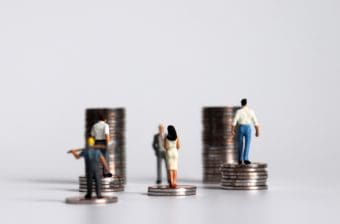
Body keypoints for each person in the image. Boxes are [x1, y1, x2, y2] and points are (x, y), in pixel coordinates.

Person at [232, 98, 260, 165]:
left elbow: (234, 122)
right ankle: (245, 159)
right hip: (248, 128)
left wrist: (233, 130)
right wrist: (257, 131)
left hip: (241, 127)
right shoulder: (251, 111)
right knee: (247, 144)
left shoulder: (239, 111)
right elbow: (255, 121)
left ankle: (239, 159)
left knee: (240, 144)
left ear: (241, 104)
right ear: (246, 103)